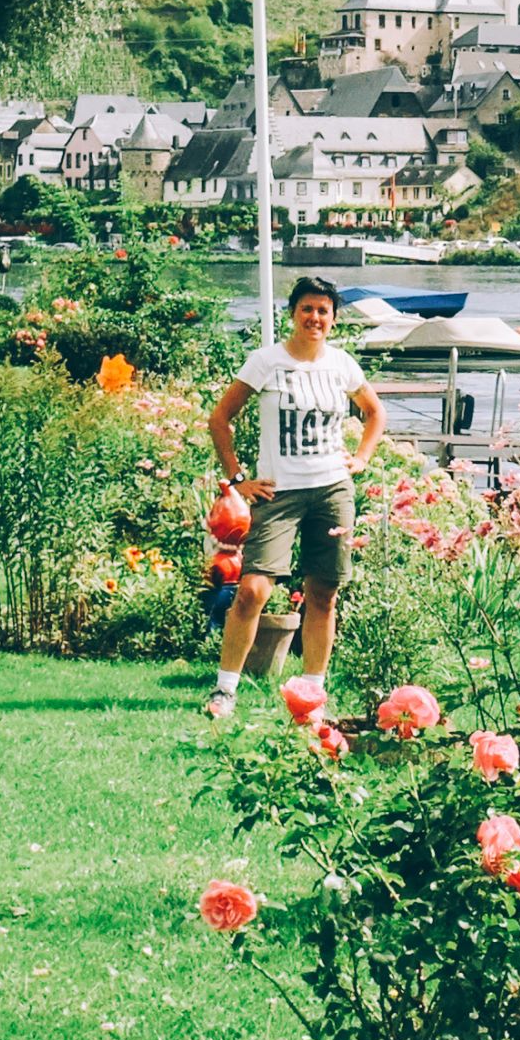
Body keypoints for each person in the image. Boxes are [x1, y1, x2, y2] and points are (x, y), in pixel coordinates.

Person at [203, 276, 385, 719]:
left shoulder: (342, 365)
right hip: (279, 493)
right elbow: (220, 418)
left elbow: (374, 412)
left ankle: (311, 696)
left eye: (323, 311)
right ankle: (225, 691)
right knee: (252, 591)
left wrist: (361, 457)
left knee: (323, 594)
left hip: (332, 491)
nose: (315, 318)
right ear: (293, 313)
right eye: (307, 309)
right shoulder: (266, 362)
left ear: (333, 319)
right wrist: (238, 479)